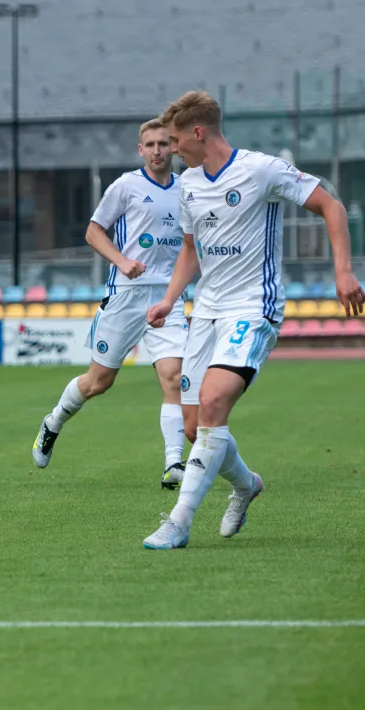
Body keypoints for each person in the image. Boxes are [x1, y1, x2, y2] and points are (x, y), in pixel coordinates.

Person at [142, 90, 365, 550]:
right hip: (204, 312)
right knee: (193, 426)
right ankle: (246, 485)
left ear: (199, 133)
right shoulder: (188, 184)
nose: (173, 149)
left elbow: (332, 206)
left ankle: (179, 522)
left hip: (252, 307)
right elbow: (190, 250)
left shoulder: (261, 169)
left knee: (214, 401)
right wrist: (169, 299)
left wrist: (343, 270)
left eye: (177, 139)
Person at [32, 118, 190, 489]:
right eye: (149, 145)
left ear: (174, 147)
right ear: (140, 150)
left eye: (163, 144)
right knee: (98, 383)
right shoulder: (126, 186)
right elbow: (93, 231)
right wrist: (122, 261)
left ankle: (173, 464)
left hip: (168, 297)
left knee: (173, 378)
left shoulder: (187, 189)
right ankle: (52, 422)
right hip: (125, 295)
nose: (157, 151)